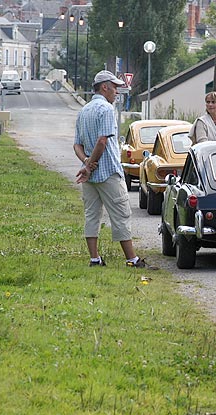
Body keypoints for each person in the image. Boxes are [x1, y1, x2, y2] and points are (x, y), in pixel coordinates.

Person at [74, 70, 154, 269]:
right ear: (105, 87)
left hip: (89, 177)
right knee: (121, 213)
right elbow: (102, 141)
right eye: (115, 87)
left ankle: (94, 259)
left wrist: (86, 163)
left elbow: (77, 144)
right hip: (108, 171)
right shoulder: (107, 109)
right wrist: (91, 164)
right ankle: (132, 259)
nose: (117, 92)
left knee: (92, 215)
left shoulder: (84, 110)